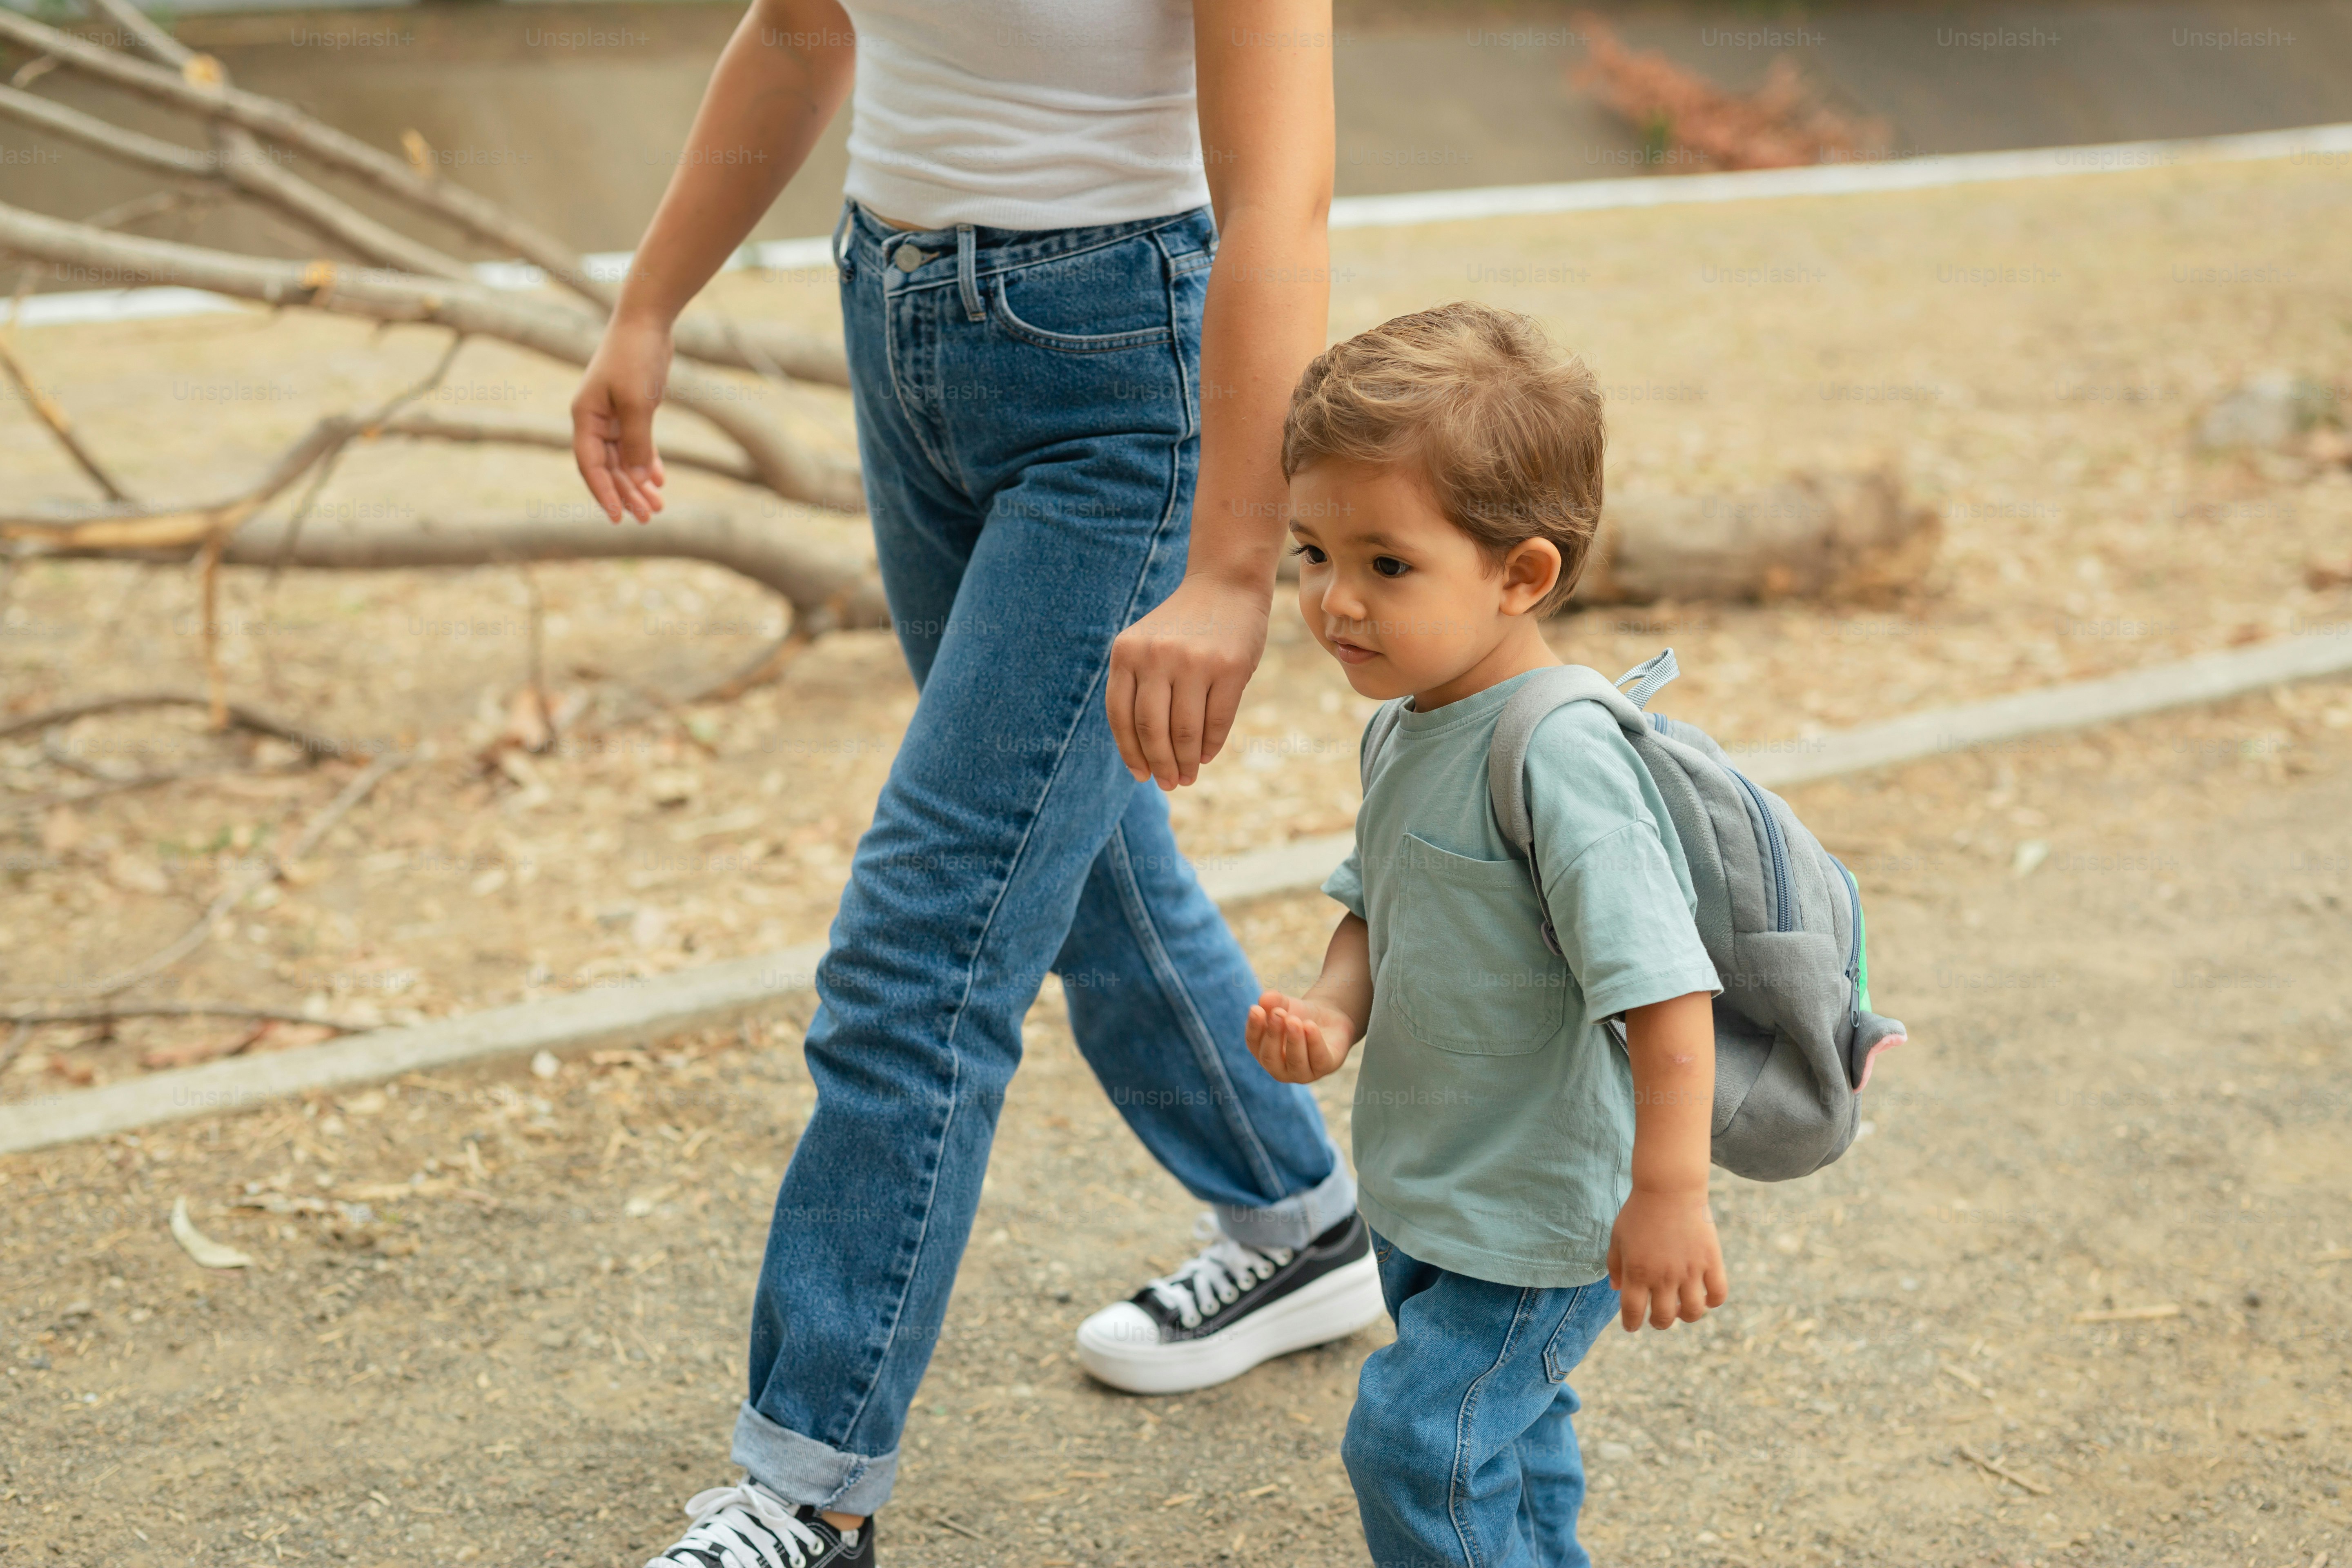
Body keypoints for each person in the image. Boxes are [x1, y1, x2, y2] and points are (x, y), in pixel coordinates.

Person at [568, 2, 1382, 1564]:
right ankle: (1298, 1219)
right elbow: (805, 28)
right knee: (1074, 855)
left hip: (1120, 374)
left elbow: (1282, 197)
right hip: (902, 317)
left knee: (925, 942)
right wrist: (650, 304)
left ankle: (812, 1485)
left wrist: (1232, 562)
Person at [1245, 302, 1731, 1568]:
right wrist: (1333, 1010)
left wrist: (1668, 1191)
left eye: (1385, 565)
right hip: (1435, 1181)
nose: (1334, 603)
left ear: (1520, 575)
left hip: (1541, 1210)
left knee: (1418, 1444)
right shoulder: (1407, 719)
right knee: (1506, 1440)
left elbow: (1667, 988)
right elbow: (1375, 901)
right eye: (1312, 553)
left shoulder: (1560, 751)